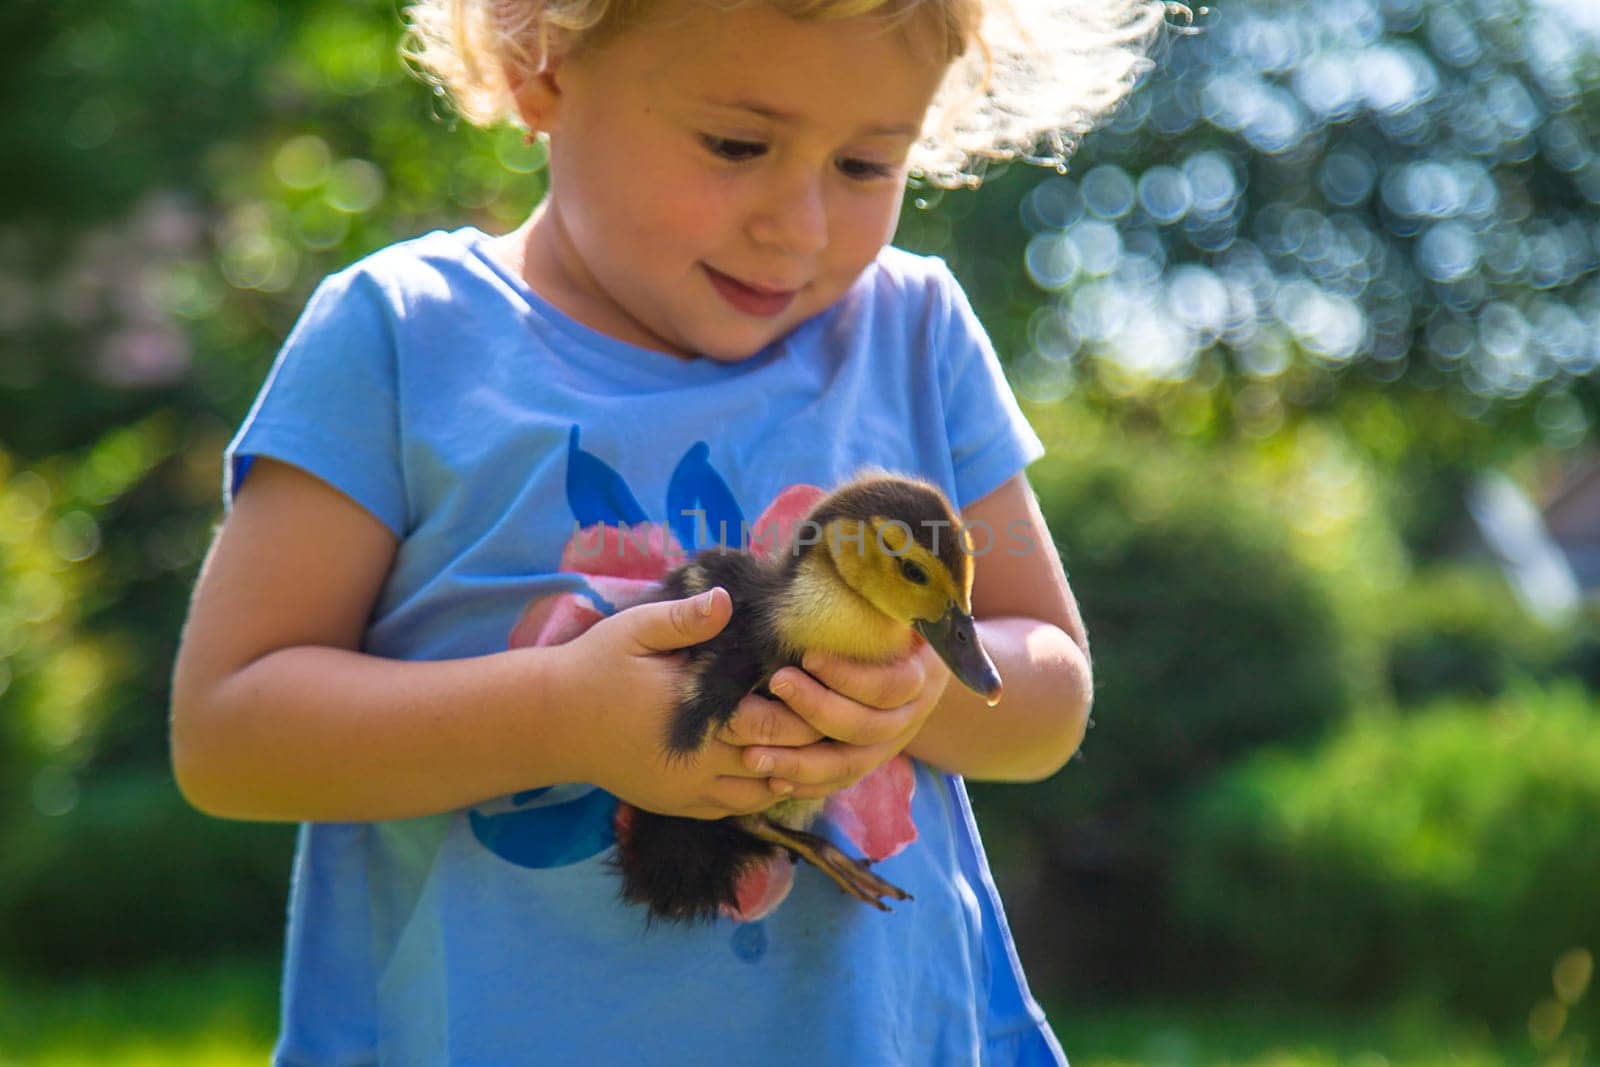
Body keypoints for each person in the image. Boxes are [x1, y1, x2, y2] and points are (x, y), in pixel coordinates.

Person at [170, 0, 1163, 1061]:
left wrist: (914, 691)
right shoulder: (404, 335)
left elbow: (1046, 687)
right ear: (539, 60)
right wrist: (558, 714)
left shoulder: (915, 333)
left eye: (867, 164)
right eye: (736, 144)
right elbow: (231, 735)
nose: (801, 223)